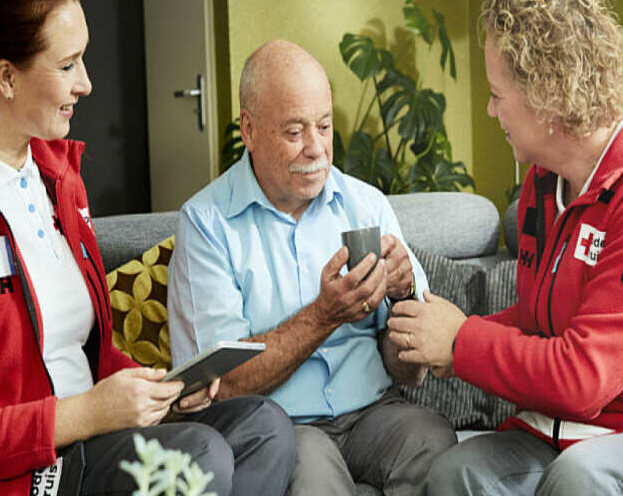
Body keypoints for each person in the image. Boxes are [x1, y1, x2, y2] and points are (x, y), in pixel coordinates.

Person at [0, 2, 295, 495]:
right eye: (67, 64)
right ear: (8, 77)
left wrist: (158, 391)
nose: (87, 83)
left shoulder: (57, 177)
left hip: (93, 441)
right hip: (20, 476)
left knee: (263, 428)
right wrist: (86, 413)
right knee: (198, 459)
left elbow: (80, 358)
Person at [168, 39, 457, 495]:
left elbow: (409, 371)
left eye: (324, 126)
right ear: (249, 129)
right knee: (312, 473)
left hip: (374, 413)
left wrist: (402, 302)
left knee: (432, 442)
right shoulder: (207, 224)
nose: (316, 149)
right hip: (284, 426)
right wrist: (325, 315)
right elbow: (222, 386)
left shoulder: (367, 205)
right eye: (294, 131)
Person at [387, 0, 623, 494]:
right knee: (455, 473)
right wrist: (440, 342)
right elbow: (541, 322)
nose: (491, 109)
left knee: (578, 480)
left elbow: (584, 378)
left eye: (497, 94)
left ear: (546, 94)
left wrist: (462, 340)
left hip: (608, 436)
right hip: (552, 430)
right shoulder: (541, 185)